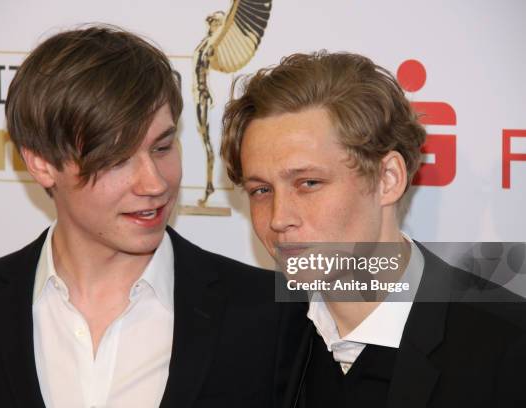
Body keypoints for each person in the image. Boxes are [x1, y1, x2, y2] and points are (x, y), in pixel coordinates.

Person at [0, 25, 307, 408]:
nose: (154, 183)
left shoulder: (269, 313)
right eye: (117, 158)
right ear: (41, 163)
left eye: (162, 147)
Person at [221, 51, 526, 407]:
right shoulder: (250, 342)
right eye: (261, 190)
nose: (278, 217)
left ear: (388, 179)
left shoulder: (509, 350)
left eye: (308, 183)